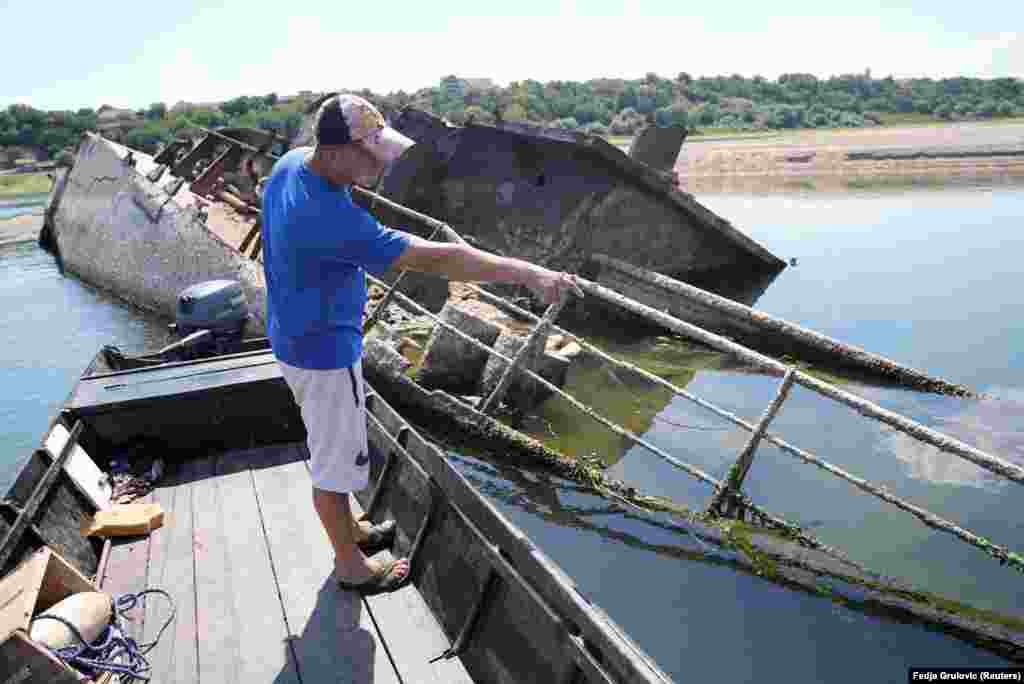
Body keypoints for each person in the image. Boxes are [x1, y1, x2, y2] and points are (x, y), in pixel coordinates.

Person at [259, 93, 582, 595]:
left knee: (334, 444)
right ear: (340, 150)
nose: (381, 164)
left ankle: (354, 531)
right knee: (334, 463)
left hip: (292, 332)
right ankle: (350, 565)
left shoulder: (293, 164)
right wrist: (529, 273)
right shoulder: (329, 217)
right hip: (323, 351)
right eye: (371, 153)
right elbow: (439, 259)